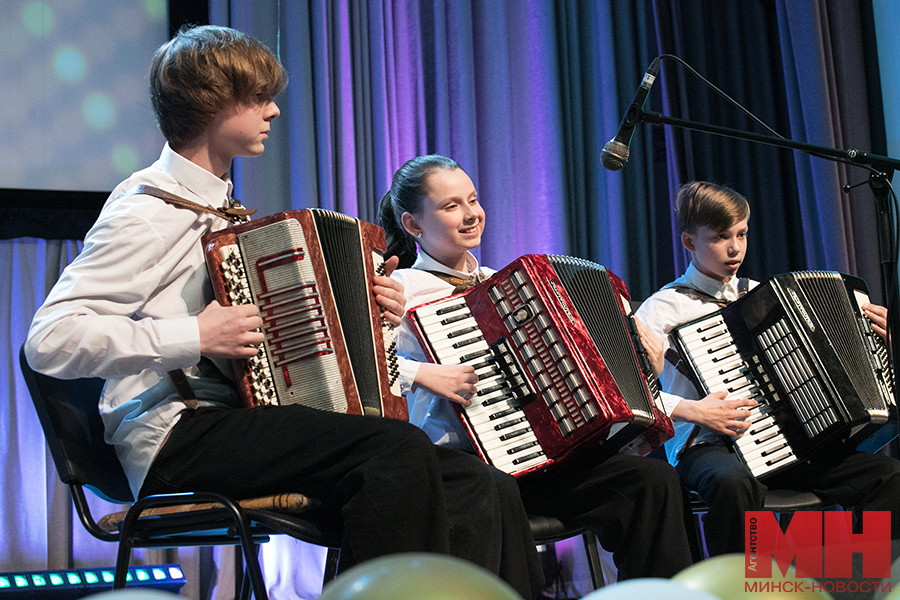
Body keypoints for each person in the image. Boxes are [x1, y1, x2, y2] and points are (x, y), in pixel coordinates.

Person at [24, 26, 544, 598]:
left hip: (236, 420)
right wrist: (194, 335)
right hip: (176, 437)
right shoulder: (147, 211)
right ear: (211, 103)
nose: (273, 110)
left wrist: (378, 317)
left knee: (479, 481)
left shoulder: (223, 210)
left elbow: (279, 351)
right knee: (392, 450)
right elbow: (49, 339)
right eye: (257, 98)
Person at [378, 154, 695, 581]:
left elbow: (576, 369)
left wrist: (641, 360)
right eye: (451, 206)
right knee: (495, 487)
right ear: (414, 225)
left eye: (473, 200)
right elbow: (365, 367)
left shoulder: (508, 285)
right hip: (462, 467)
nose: (471, 214)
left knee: (651, 481)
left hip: (537, 459)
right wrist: (422, 374)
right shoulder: (402, 289)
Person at [634, 180, 900, 556]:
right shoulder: (662, 308)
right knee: (732, 482)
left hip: (788, 443)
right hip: (707, 447)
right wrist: (696, 410)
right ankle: (748, 587)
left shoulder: (763, 295)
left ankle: (870, 583)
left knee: (888, 477)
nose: (735, 248)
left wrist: (885, 346)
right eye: (721, 237)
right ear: (690, 242)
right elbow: (630, 395)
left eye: (742, 234)